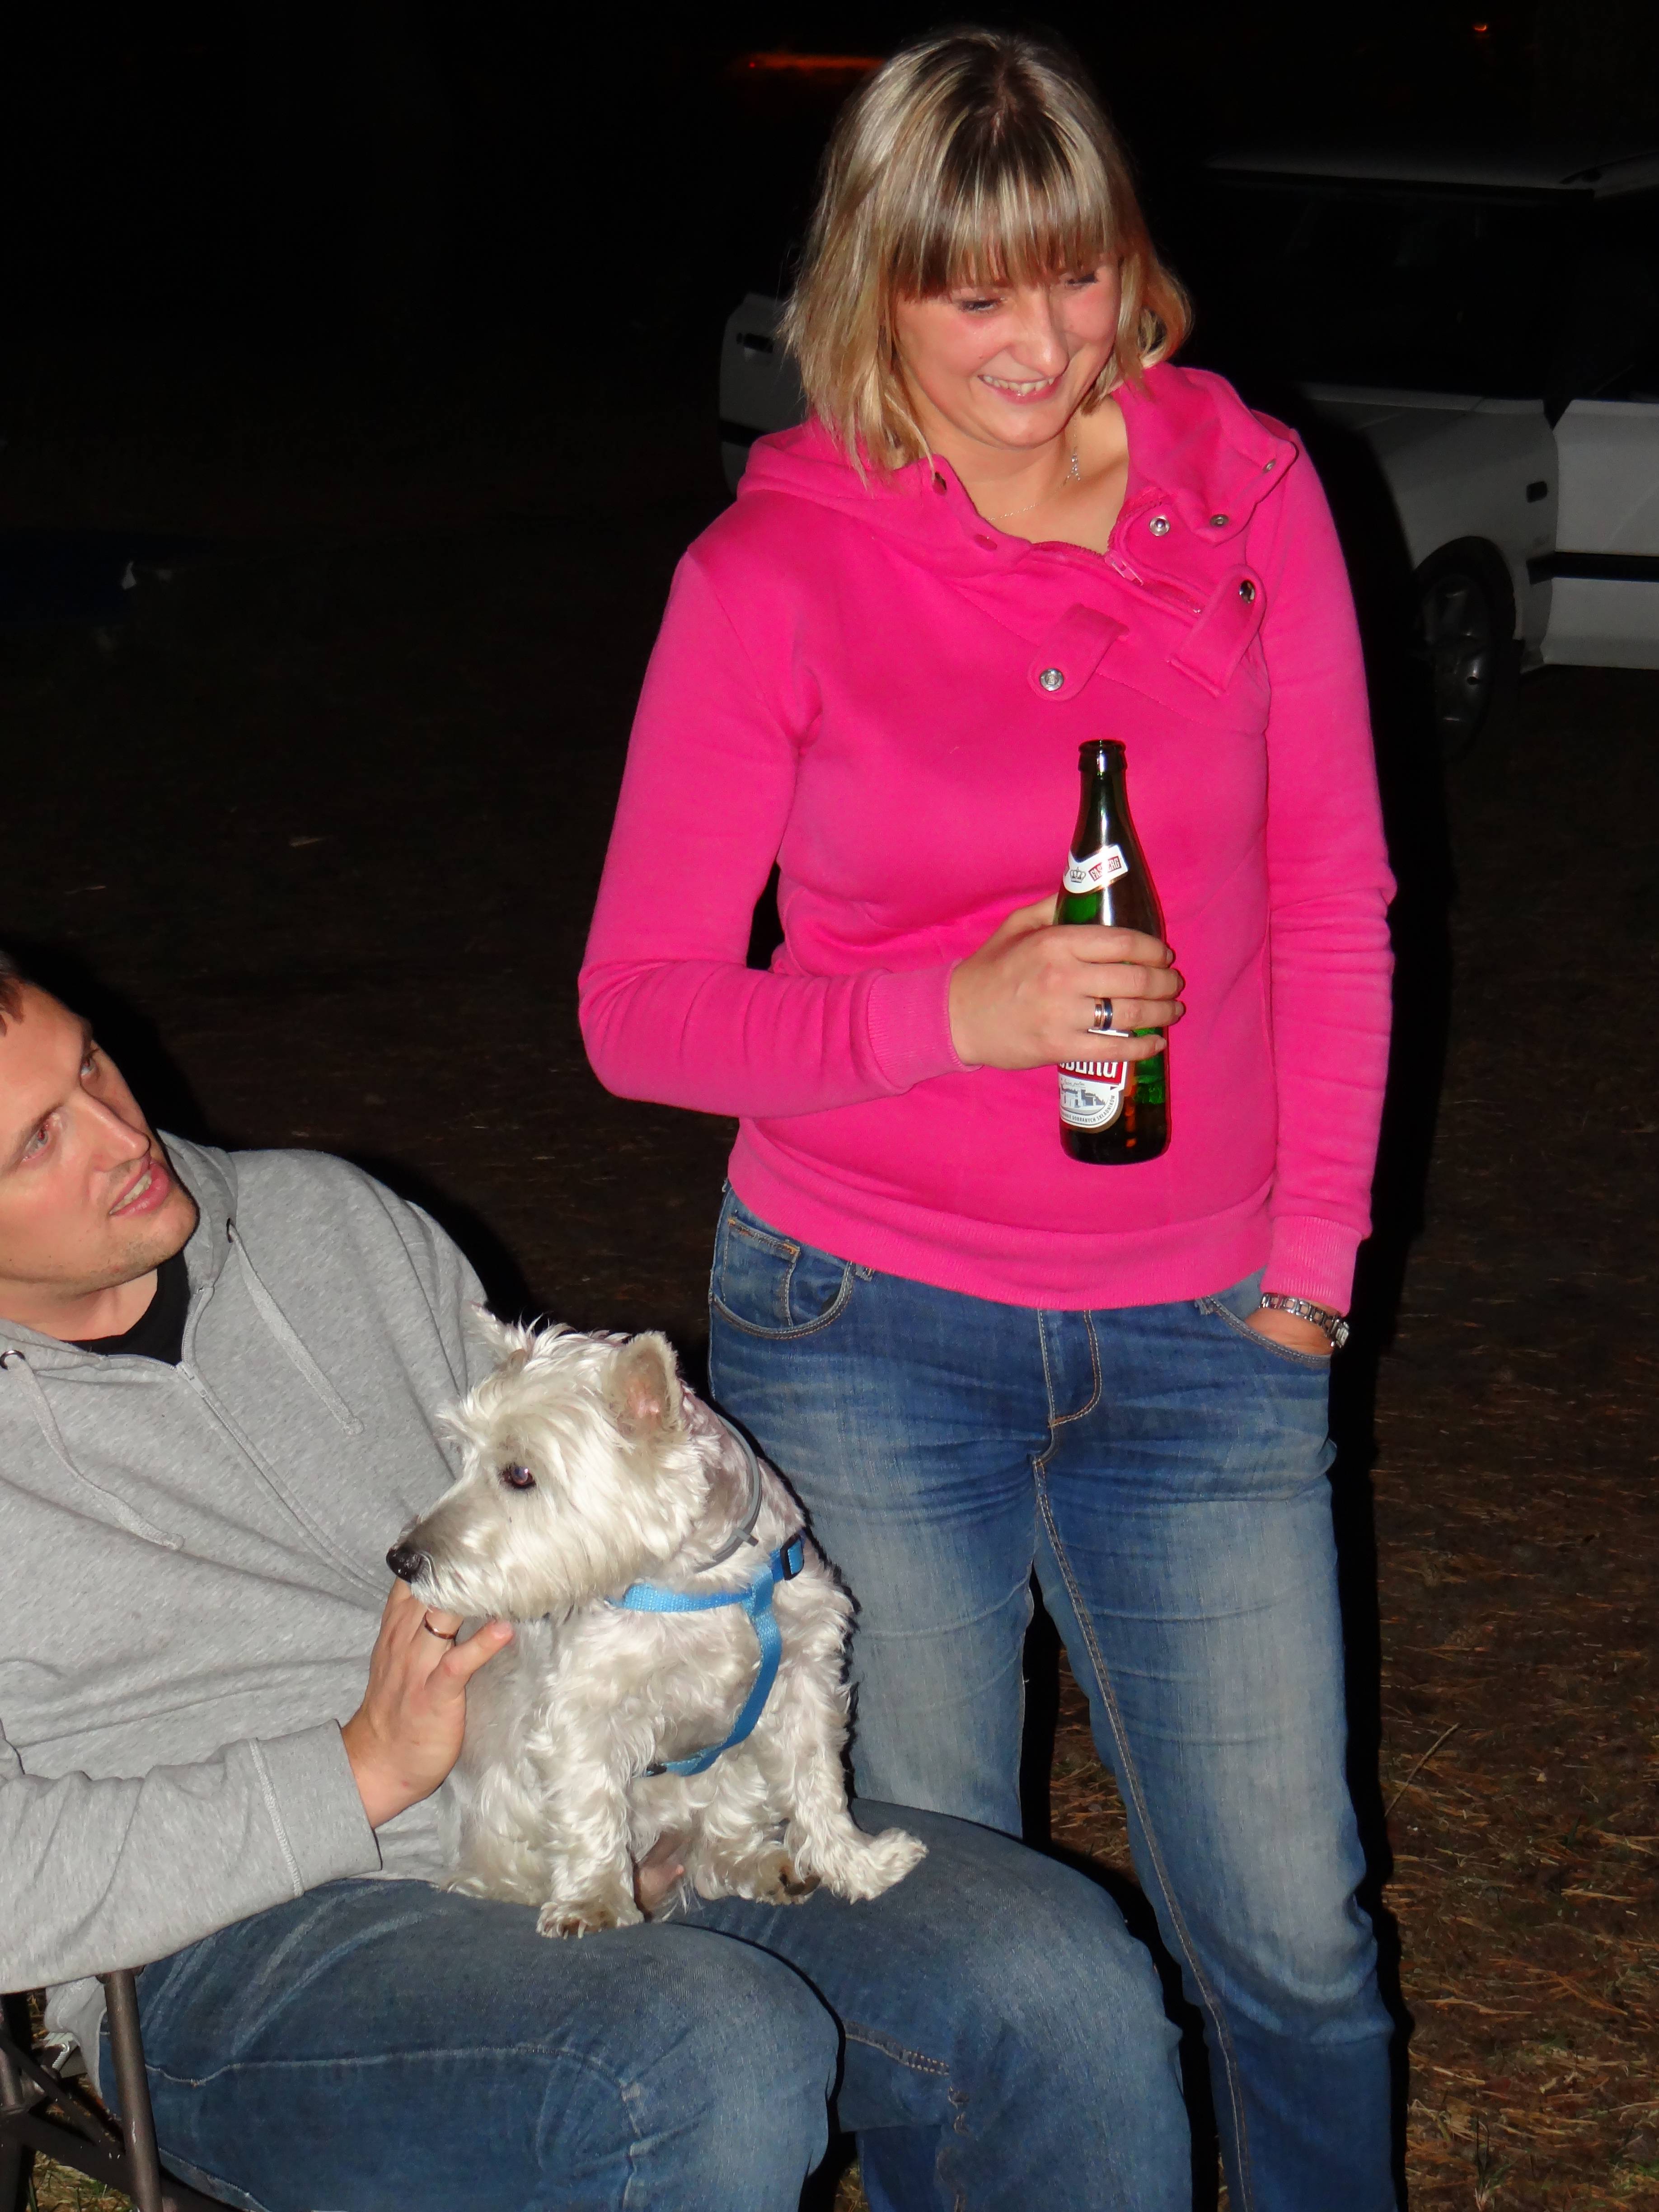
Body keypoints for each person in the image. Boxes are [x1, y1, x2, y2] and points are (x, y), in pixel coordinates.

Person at [579, 27, 1398, 2212]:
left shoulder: (1249, 500)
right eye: (975, 293)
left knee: (1295, 1943)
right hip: (869, 1330)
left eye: (1077, 274)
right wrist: (956, 1011)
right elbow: (637, 1015)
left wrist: (1313, 1270)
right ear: (877, 289)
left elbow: (1335, 894)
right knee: (952, 1949)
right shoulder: (769, 577)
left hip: (1211, 1329)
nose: (1042, 344)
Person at [0, 951, 1190, 2212]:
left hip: (611, 1799)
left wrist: (715, 1528)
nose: (124, 1136)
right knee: (698, 2051)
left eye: (92, 1063)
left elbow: (579, 1493)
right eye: (38, 1141)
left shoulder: (326, 1221)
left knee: (1057, 1976)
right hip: (231, 1947)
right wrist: (353, 1772)